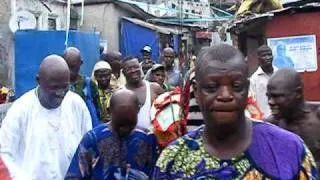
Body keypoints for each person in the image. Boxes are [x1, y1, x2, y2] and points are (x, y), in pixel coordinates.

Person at [154, 44, 318, 179]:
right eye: (212, 87)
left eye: (236, 86)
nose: (225, 96)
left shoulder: (289, 149)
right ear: (196, 92)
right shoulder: (173, 160)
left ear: (247, 90)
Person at [0, 55, 92, 179]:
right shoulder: (20, 110)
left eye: (65, 87)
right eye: (54, 87)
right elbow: (4, 157)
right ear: (39, 80)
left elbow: (87, 146)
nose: (60, 93)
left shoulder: (76, 104)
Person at [65, 89, 159, 179]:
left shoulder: (148, 139)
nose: (125, 129)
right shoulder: (93, 139)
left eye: (130, 124)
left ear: (138, 110)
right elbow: (74, 175)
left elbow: (157, 174)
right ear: (109, 111)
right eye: (120, 124)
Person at [266, 68, 320, 172]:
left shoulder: (317, 116)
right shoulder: (271, 126)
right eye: (268, 96)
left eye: (277, 96)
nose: (270, 102)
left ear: (298, 93)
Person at [122, 56, 163, 130]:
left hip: (154, 138)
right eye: (129, 69)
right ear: (123, 72)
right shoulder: (120, 93)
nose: (133, 71)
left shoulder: (154, 88)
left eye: (136, 67)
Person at [249, 45, 277, 118]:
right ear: (259, 58)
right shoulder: (254, 80)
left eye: (269, 55)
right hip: (265, 119)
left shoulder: (279, 73)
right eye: (264, 56)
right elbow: (252, 103)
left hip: (281, 118)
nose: (267, 58)